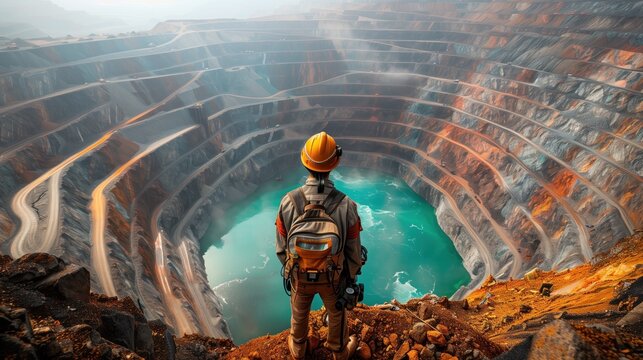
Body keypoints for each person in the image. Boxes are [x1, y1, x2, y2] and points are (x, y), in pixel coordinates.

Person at [275, 132, 363, 360]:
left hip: (300, 276)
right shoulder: (347, 206)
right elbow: (353, 251)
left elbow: (281, 247)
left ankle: (298, 347)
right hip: (333, 278)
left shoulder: (288, 201)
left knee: (299, 313)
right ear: (335, 163)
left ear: (305, 162)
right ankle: (339, 351)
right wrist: (349, 276)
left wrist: (294, 270)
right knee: (336, 314)